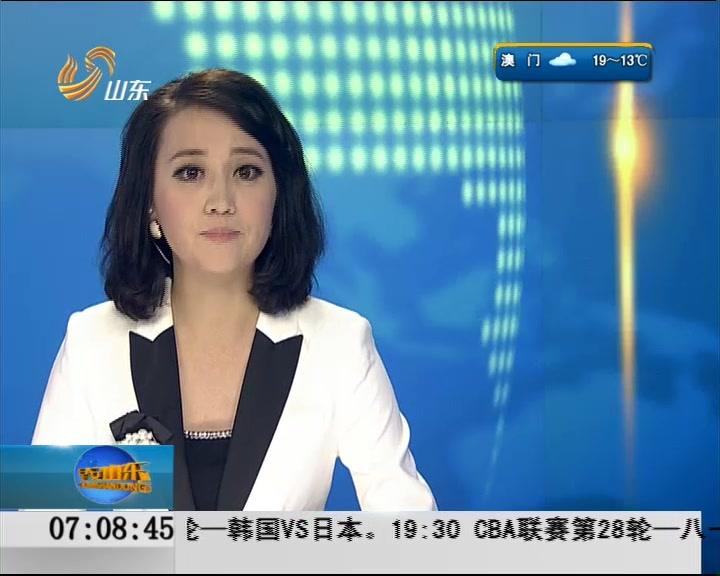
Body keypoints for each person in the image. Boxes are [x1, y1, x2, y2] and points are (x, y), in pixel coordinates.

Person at [32, 68, 436, 512]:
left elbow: (409, 526)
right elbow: (44, 526)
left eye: (246, 171)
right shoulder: (91, 341)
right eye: (190, 172)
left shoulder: (339, 342)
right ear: (149, 202)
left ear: (279, 194)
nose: (221, 201)